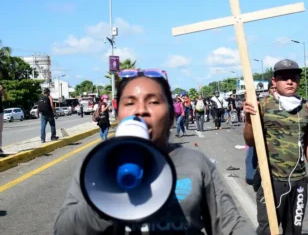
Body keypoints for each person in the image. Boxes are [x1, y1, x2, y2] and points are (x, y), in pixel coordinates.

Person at [54, 69, 255, 235]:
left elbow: (231, 226)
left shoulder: (195, 163)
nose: (141, 111)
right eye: (130, 103)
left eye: (153, 102)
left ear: (170, 117)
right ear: (118, 115)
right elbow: (63, 229)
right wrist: (105, 200)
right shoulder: (96, 165)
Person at [243, 59, 308, 235]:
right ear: (274, 81)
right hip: (270, 180)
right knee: (267, 230)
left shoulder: (306, 108)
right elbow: (250, 141)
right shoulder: (262, 105)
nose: (289, 81)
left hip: (299, 180)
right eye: (284, 78)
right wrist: (249, 119)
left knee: (294, 230)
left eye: (293, 77)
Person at [0, 83, 7, 154]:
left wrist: (2, 91)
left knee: (0, 131)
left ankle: (0, 148)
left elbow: (5, 97)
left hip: (0, 112)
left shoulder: (0, 86)